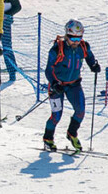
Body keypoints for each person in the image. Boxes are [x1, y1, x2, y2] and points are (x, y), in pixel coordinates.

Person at [43, 20, 100, 152]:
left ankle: (72, 133)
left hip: (74, 85)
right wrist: (54, 83)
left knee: (80, 110)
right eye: (73, 38)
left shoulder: (83, 46)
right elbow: (48, 69)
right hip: (57, 86)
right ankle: (48, 138)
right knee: (56, 115)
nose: (76, 41)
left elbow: (90, 57)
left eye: (79, 38)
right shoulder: (57, 49)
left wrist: (93, 65)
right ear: (67, 35)